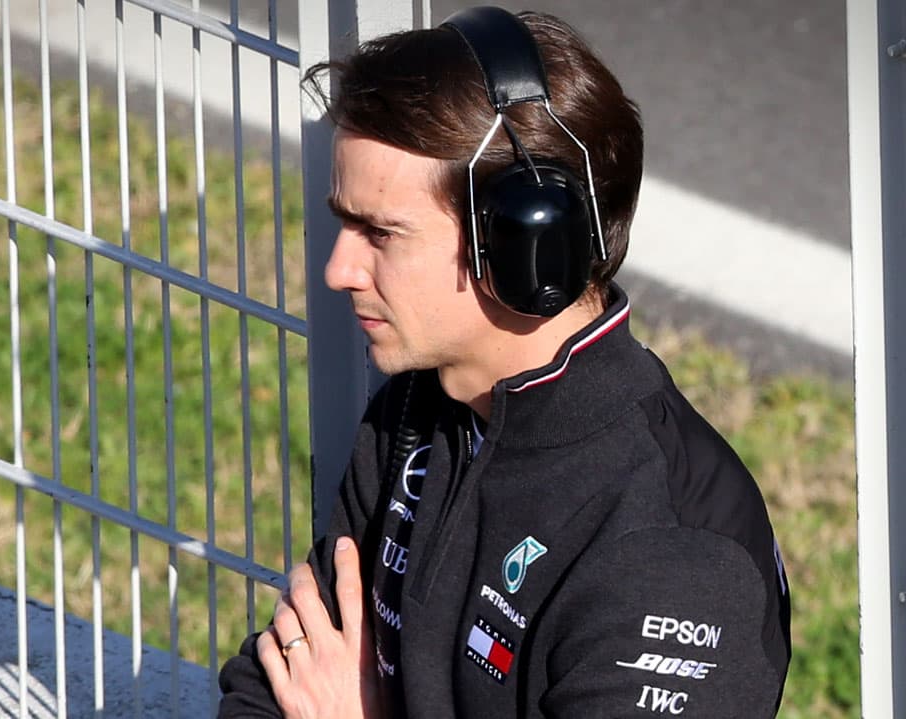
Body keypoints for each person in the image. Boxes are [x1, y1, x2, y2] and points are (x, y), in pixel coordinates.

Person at [217, 6, 791, 718]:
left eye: (381, 232)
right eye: (345, 223)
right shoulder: (416, 412)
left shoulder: (671, 557)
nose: (339, 269)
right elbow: (273, 679)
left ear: (524, 248)